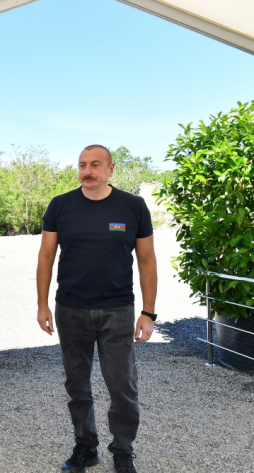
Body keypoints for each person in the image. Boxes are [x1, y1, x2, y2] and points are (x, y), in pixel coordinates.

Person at [35, 144, 157, 473]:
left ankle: (122, 451)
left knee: (123, 385)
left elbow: (146, 259)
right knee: (77, 385)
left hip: (118, 311)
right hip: (70, 310)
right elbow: (46, 256)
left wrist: (149, 312)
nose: (88, 171)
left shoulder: (133, 207)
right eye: (82, 165)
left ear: (111, 169)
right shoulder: (60, 206)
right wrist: (42, 304)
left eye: (96, 165)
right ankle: (86, 446)